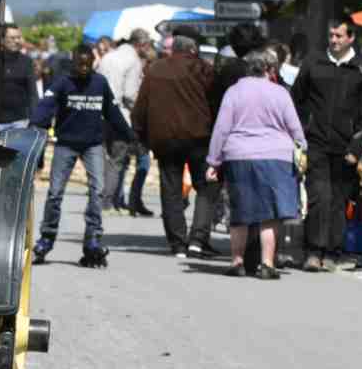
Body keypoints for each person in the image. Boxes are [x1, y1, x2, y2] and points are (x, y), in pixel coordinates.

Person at [204, 47, 305, 279]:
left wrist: (214, 161)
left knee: (240, 211)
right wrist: (302, 149)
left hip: (240, 156)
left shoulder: (234, 92)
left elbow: (221, 128)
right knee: (270, 213)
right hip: (276, 156)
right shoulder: (280, 93)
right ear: (269, 69)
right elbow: (295, 129)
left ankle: (237, 262)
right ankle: (267, 264)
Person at [30, 43, 133, 266]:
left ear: (93, 63)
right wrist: (36, 124)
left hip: (93, 145)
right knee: (55, 192)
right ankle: (47, 238)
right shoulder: (62, 83)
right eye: (80, 64)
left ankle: (92, 238)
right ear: (74, 62)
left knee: (97, 190)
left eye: (88, 64)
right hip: (66, 144)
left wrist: (129, 135)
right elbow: (45, 107)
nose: (84, 68)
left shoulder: (100, 83)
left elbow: (113, 112)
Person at [291, 19, 362, 272]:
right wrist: (300, 132)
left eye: (339, 36)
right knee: (318, 196)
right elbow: (297, 99)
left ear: (351, 38)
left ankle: (332, 252)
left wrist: (356, 148)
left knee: (338, 200)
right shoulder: (313, 63)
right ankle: (313, 251)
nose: (334, 40)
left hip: (345, 146)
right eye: (331, 35)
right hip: (315, 141)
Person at [132, 32, 221, 257]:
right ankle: (198, 239)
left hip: (165, 139)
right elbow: (216, 102)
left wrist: (140, 135)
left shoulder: (156, 70)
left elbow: (141, 105)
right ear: (193, 50)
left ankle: (177, 242)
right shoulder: (203, 69)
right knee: (207, 186)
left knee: (170, 190)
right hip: (199, 137)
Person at [96, 29, 152, 212]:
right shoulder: (133, 61)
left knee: (105, 157)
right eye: (147, 45)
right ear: (140, 44)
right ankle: (108, 201)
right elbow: (129, 94)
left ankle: (105, 198)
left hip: (101, 115)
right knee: (117, 160)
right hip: (121, 116)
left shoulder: (108, 57)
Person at [0, 23, 35, 130]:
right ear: (2, 40)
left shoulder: (26, 61)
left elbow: (32, 92)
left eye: (19, 37)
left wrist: (34, 118)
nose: (17, 41)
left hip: (20, 121)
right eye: (13, 38)